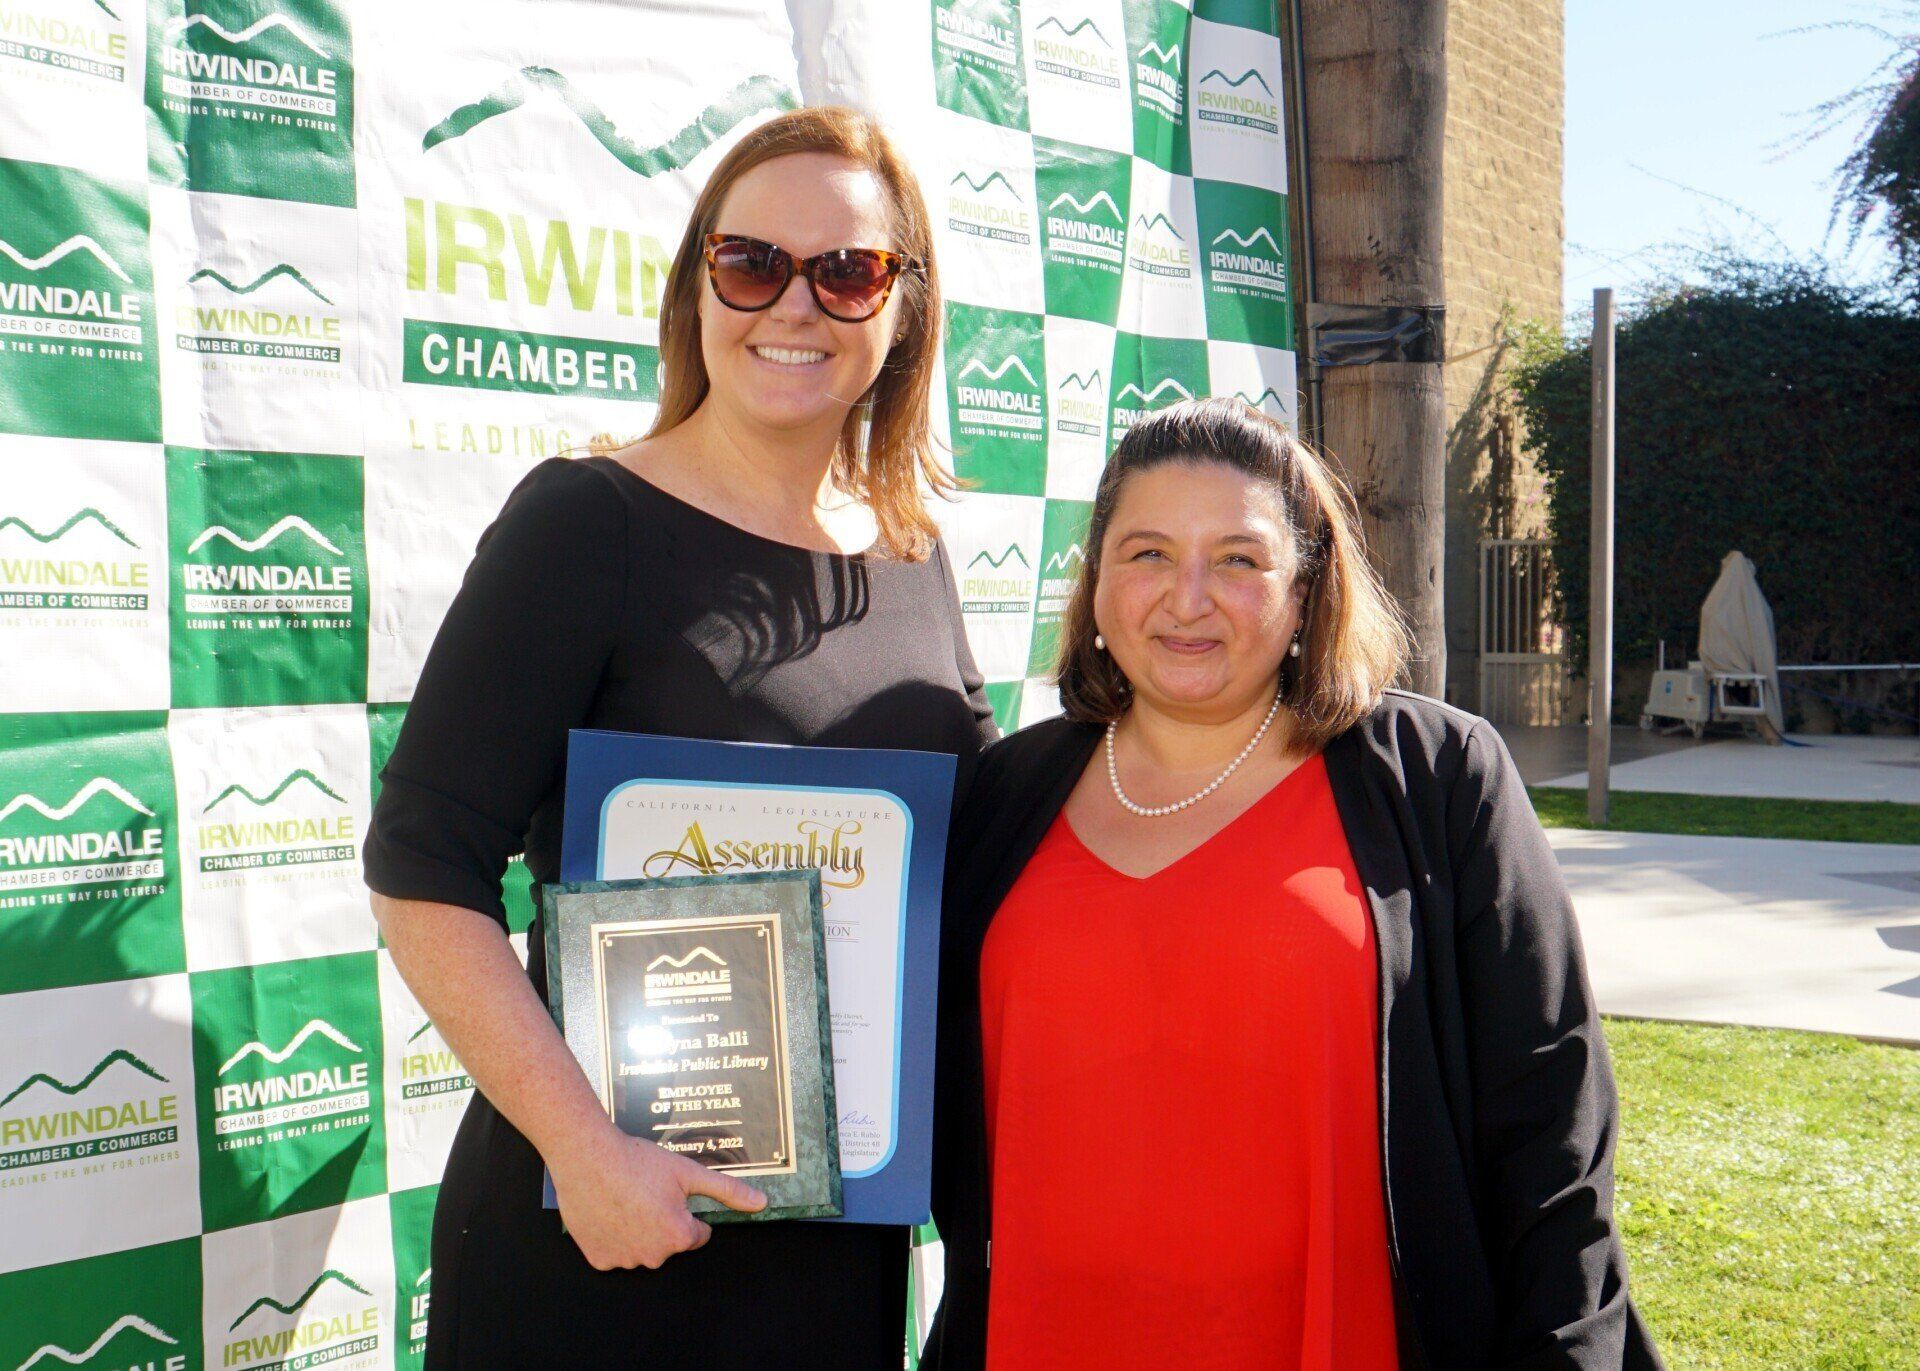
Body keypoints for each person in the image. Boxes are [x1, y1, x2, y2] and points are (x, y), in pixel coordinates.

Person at [363, 106, 997, 1369]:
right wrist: (584, 1152)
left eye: (849, 269)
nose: (795, 305)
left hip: (835, 1245)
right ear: (700, 282)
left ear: (904, 307)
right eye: (753, 261)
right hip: (602, 1229)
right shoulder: (584, 523)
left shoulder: (913, 561)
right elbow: (422, 869)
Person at [925, 398, 1664, 1371]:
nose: (1187, 598)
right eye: (1146, 553)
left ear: (1308, 587)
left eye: (1238, 559)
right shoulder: (1005, 793)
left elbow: (1552, 1132)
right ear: (1096, 582)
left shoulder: (1437, 780)